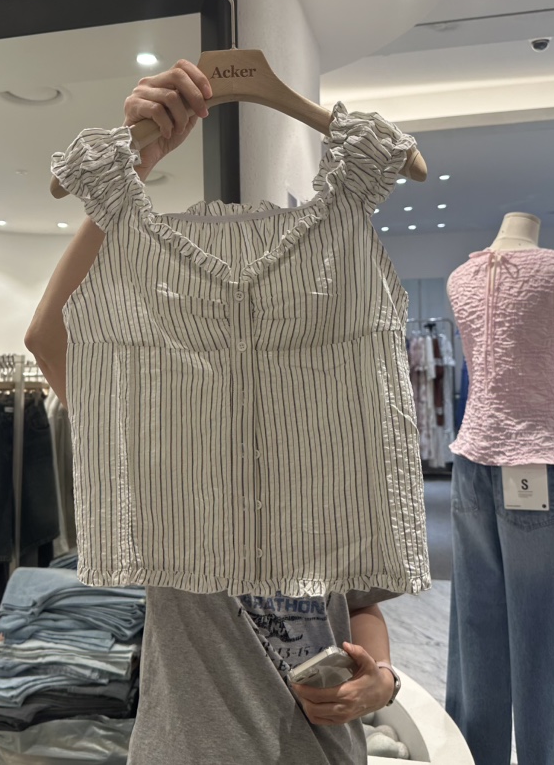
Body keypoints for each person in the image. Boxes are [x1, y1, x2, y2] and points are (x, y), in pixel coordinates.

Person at [25, 60, 401, 764]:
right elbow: (50, 338)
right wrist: (124, 179)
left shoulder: (331, 447)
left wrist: (379, 680)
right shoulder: (161, 440)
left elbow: (360, 607)